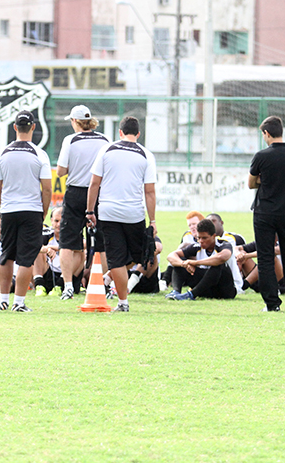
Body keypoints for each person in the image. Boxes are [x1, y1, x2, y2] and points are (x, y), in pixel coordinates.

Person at [87, 116, 157, 313]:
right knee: (140, 255)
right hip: (134, 213)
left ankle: (122, 302)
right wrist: (152, 220)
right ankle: (115, 284)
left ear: (120, 132)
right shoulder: (146, 155)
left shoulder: (106, 150)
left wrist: (90, 211)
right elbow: (149, 192)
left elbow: (94, 183)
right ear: (138, 134)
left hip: (108, 212)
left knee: (116, 258)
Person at [0, 110, 52, 312]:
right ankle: (19, 302)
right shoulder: (39, 154)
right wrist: (43, 212)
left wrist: (3, 204)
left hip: (9, 210)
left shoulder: (2, 153)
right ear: (33, 127)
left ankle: (2, 300)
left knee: (6, 255)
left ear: (15, 127)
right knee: (26, 258)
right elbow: (47, 188)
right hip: (32, 210)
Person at [248, 115, 285, 312]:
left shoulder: (261, 156)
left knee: (265, 257)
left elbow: (251, 183)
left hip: (264, 211)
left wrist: (263, 180)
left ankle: (272, 303)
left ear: (266, 133)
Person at [56, 105, 110, 300]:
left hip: (76, 192)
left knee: (67, 242)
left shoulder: (70, 140)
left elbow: (60, 171)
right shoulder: (105, 140)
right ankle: (103, 285)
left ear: (75, 121)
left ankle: (68, 286)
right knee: (102, 242)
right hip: (100, 192)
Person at [166, 219, 239, 300]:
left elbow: (222, 257)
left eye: (204, 238)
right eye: (199, 238)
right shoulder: (197, 246)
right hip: (207, 287)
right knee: (179, 262)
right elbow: (171, 256)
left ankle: (191, 295)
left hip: (225, 289)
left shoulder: (223, 244)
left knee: (218, 264)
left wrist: (195, 263)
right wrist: (183, 264)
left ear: (214, 236)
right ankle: (176, 292)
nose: (201, 241)